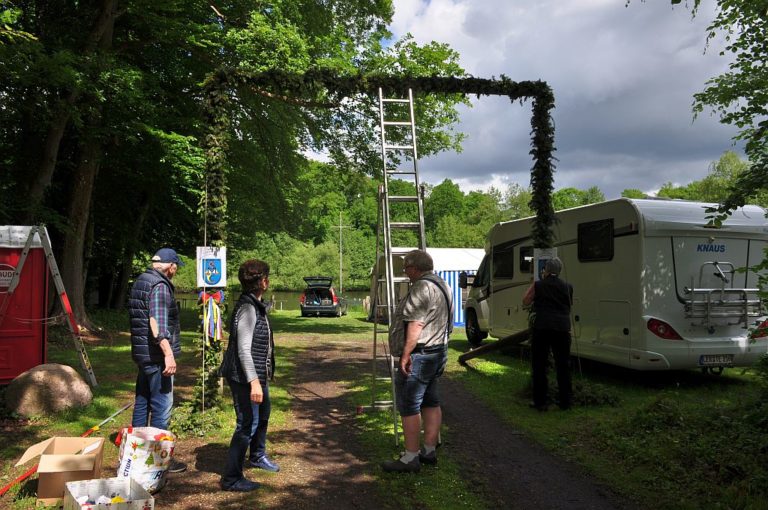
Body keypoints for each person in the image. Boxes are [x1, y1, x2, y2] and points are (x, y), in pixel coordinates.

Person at [382, 250, 453, 473]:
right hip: (437, 352)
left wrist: (405, 355)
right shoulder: (443, 284)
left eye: (406, 268)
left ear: (415, 267)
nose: (405, 272)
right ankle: (429, 451)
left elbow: (416, 324)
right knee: (431, 400)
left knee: (409, 403)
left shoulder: (422, 287)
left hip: (420, 354)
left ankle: (410, 457)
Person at [219, 259, 279, 492]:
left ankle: (257, 456)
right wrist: (254, 382)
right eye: (267, 277)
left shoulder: (256, 304)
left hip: (257, 375)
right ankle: (231, 478)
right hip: (244, 377)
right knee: (246, 425)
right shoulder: (247, 308)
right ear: (263, 282)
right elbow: (243, 349)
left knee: (262, 415)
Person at [128, 247, 187, 473]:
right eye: (176, 267)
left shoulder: (142, 280)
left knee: (142, 403)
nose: (175, 271)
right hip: (156, 356)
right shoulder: (161, 286)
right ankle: (158, 460)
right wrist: (168, 353)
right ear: (170, 267)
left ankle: (135, 453)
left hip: (143, 355)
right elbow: (157, 323)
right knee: (162, 406)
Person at [522, 257, 574, 411]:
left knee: (540, 365)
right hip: (563, 329)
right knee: (563, 366)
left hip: (543, 328)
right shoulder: (568, 286)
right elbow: (569, 305)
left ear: (546, 270)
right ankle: (565, 402)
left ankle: (540, 402)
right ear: (559, 271)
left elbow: (525, 301)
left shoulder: (538, 285)